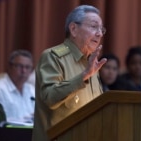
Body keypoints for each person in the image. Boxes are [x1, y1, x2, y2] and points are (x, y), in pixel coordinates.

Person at [32, 5, 107, 141]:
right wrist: (84, 76)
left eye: (101, 29)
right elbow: (50, 97)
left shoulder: (91, 63)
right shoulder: (53, 57)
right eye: (94, 27)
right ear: (73, 29)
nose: (99, 34)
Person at [0, 49, 35, 124]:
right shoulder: (0, 88)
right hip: (7, 133)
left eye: (27, 67)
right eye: (19, 66)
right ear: (10, 66)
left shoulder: (31, 90)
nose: (24, 71)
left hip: (30, 133)